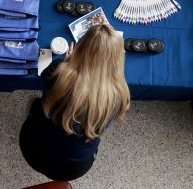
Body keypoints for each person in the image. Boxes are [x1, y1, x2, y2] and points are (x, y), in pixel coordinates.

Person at [18, 24, 130, 181]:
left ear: (81, 47)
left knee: (40, 106)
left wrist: (66, 63)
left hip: (33, 150)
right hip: (74, 168)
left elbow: (44, 77)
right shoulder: (120, 94)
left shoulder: (60, 71)